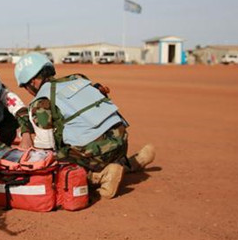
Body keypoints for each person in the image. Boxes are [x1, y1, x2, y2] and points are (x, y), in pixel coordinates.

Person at [13, 52, 155, 199]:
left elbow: (46, 147)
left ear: (33, 82)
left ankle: (100, 176)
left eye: (25, 87)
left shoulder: (40, 103)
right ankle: (133, 162)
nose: (27, 91)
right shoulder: (78, 78)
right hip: (122, 140)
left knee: (53, 161)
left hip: (97, 153)